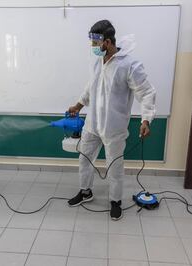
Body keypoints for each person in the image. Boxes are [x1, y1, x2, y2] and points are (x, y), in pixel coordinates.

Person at [67, 20, 156, 220]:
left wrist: (146, 119)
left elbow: (146, 91)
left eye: (95, 43)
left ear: (107, 42)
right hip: (92, 124)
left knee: (114, 167)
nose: (93, 47)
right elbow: (91, 87)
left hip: (113, 128)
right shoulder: (97, 61)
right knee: (85, 158)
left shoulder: (129, 65)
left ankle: (115, 201)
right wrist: (79, 105)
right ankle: (85, 192)